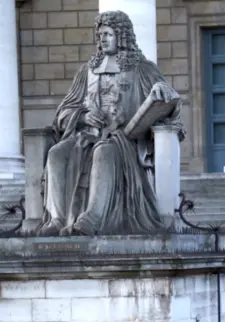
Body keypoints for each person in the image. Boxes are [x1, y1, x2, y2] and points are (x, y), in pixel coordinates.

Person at [38, 10, 184, 236]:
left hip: (122, 141)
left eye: (108, 34)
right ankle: (57, 218)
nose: (102, 39)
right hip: (86, 137)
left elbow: (170, 103)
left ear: (122, 36)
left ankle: (93, 219)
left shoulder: (142, 69)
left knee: (103, 151)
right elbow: (64, 112)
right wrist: (83, 117)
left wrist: (162, 93)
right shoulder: (87, 71)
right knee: (56, 153)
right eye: (100, 35)